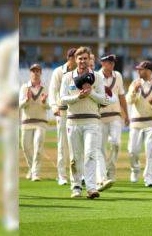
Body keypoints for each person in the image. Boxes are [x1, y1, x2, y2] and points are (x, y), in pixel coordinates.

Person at [60, 47, 116, 199]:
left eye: (85, 58)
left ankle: (91, 188)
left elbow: (103, 99)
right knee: (74, 157)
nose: (83, 61)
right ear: (75, 60)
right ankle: (76, 187)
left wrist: (91, 93)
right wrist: (78, 97)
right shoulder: (67, 77)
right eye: (80, 58)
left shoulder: (97, 77)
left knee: (90, 154)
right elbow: (63, 99)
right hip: (73, 122)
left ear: (89, 59)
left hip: (92, 120)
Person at [0, 30, 20, 231]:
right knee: (11, 164)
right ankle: (11, 214)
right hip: (10, 111)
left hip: (24, 111)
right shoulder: (6, 46)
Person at [126, 61, 152, 187]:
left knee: (150, 151)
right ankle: (135, 169)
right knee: (132, 151)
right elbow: (129, 101)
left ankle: (149, 178)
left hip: (151, 122)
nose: (138, 71)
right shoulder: (135, 83)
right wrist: (134, 91)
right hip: (136, 122)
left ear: (148, 71)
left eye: (141, 69)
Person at [96, 54, 129, 191]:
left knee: (116, 143)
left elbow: (121, 96)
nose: (111, 64)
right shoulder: (96, 77)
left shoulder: (118, 76)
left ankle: (111, 170)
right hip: (100, 117)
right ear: (102, 63)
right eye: (108, 62)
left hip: (115, 116)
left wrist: (126, 114)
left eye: (112, 62)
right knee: (101, 148)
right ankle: (102, 178)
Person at [49, 48, 77, 185]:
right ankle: (62, 176)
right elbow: (52, 91)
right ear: (70, 58)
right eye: (76, 58)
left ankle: (75, 176)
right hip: (62, 112)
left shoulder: (79, 72)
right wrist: (54, 107)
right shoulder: (59, 72)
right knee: (62, 145)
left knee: (75, 145)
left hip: (76, 112)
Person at [19, 64, 49, 182]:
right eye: (33, 71)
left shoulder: (45, 88)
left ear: (41, 73)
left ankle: (35, 173)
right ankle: (32, 168)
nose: (35, 73)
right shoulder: (24, 87)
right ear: (30, 73)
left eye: (37, 71)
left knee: (38, 145)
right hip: (26, 121)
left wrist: (43, 102)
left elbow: (49, 106)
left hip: (41, 121)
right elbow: (20, 105)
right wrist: (26, 100)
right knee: (26, 147)